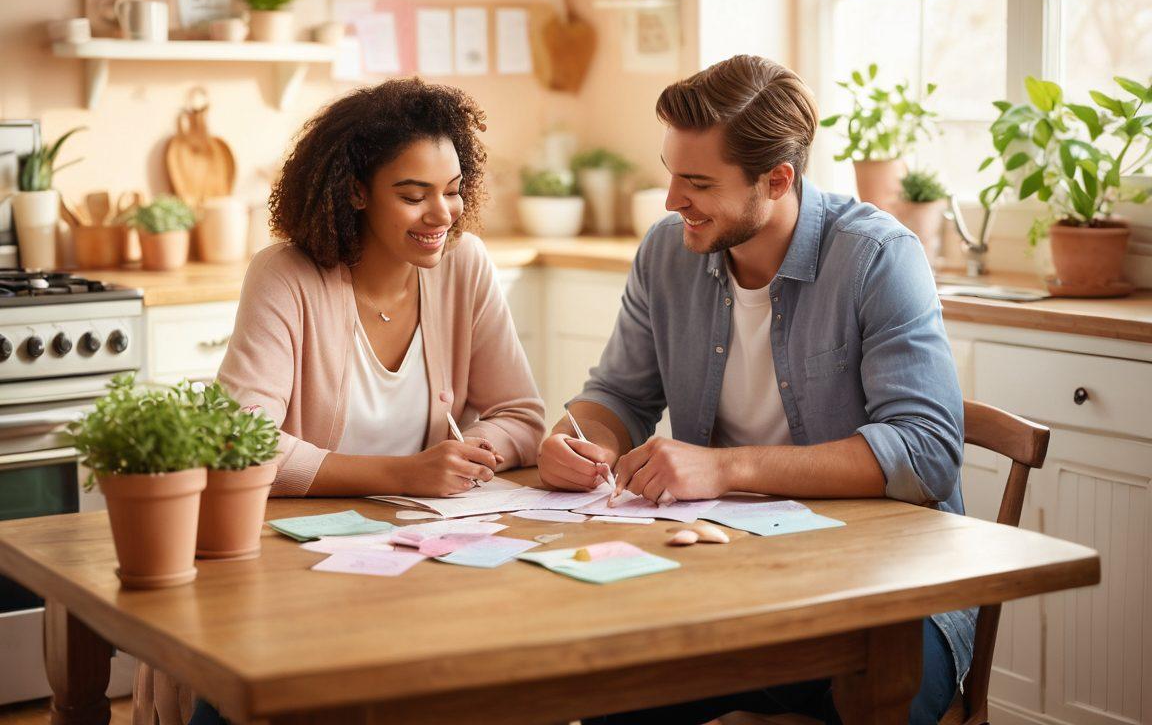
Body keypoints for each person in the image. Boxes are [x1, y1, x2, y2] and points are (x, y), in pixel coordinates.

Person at [537, 55, 972, 725]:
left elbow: (925, 452)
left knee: (873, 704)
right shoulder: (666, 251)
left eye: (698, 183)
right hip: (726, 573)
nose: (672, 200)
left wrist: (725, 468)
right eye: (671, 173)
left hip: (886, 584)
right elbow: (618, 394)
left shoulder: (878, 258)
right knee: (609, 693)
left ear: (777, 179)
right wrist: (578, 440)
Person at [140, 77, 546, 725]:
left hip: (421, 556)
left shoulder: (465, 265)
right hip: (291, 567)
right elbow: (238, 441)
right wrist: (404, 473)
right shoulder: (286, 275)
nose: (441, 215)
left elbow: (521, 414)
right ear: (355, 191)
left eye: (451, 190)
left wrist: (474, 451)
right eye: (412, 195)